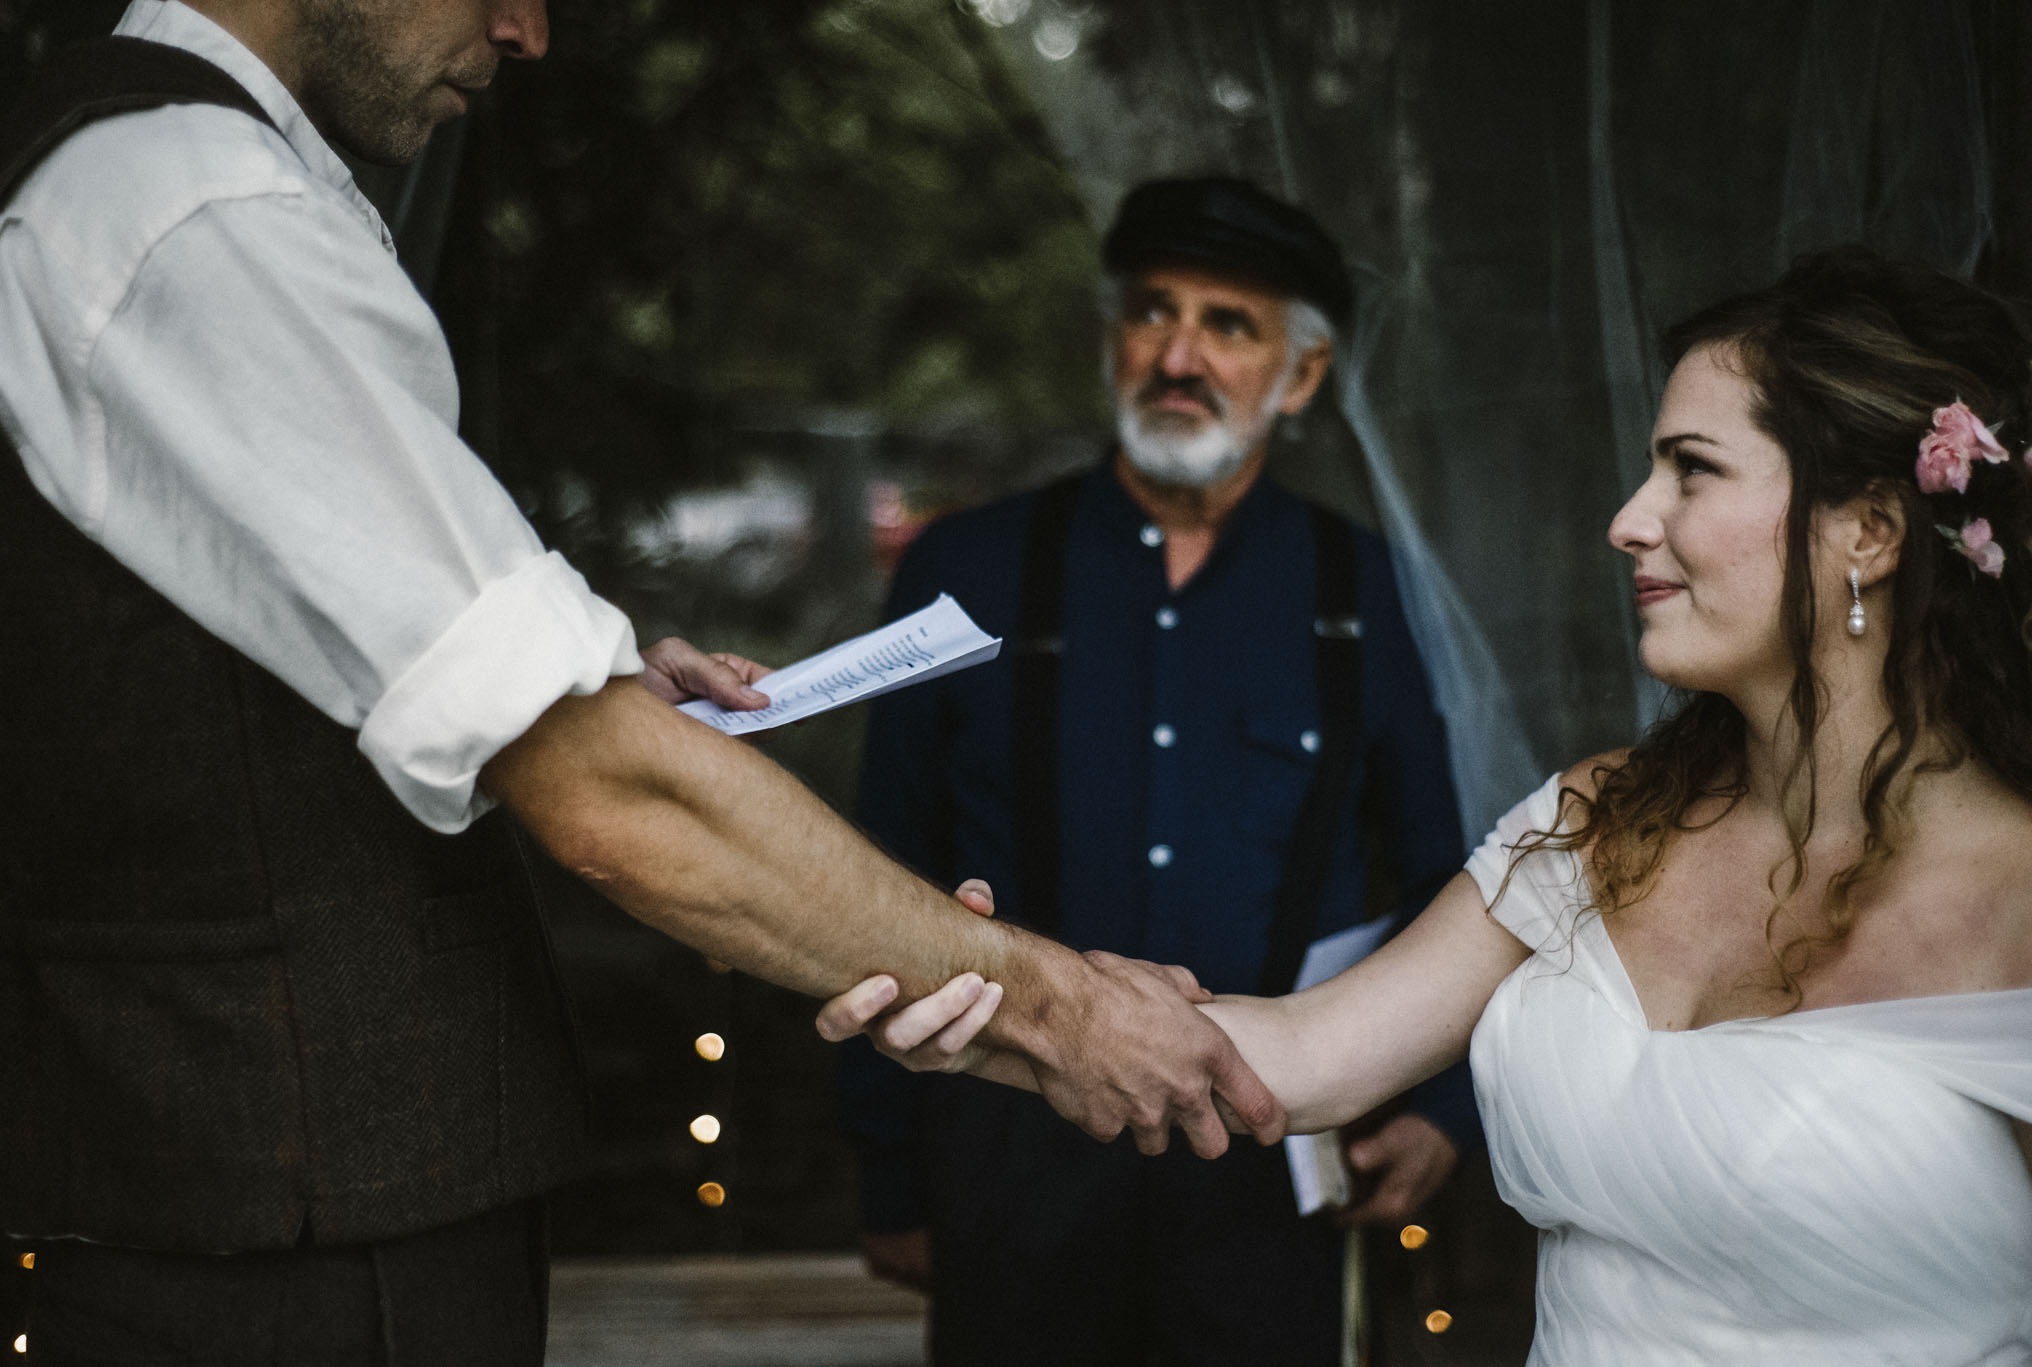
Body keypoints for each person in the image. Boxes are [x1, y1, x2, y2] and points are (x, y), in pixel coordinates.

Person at [0, 2, 1281, 1361]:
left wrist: (586, 706)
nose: (528, 30)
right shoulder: (192, 209)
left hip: (279, 1215)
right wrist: (1057, 1007)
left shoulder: (188, 185)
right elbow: (611, 794)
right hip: (272, 1251)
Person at [822, 245, 2032, 1364]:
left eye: (1691, 471)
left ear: (1871, 530)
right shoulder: (1601, 815)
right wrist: (981, 990)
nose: (1629, 521)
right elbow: (1299, 1057)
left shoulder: (2029, 903)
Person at [835, 176, 1476, 1365]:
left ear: (1299, 375)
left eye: (1228, 324)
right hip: (1006, 1165)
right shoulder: (964, 564)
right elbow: (879, 869)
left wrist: (1445, 1107)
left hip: (1268, 1166)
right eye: (1151, 312)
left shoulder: (1366, 589)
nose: (1177, 353)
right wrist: (890, 1171)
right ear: (1110, 338)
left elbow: (1450, 870)